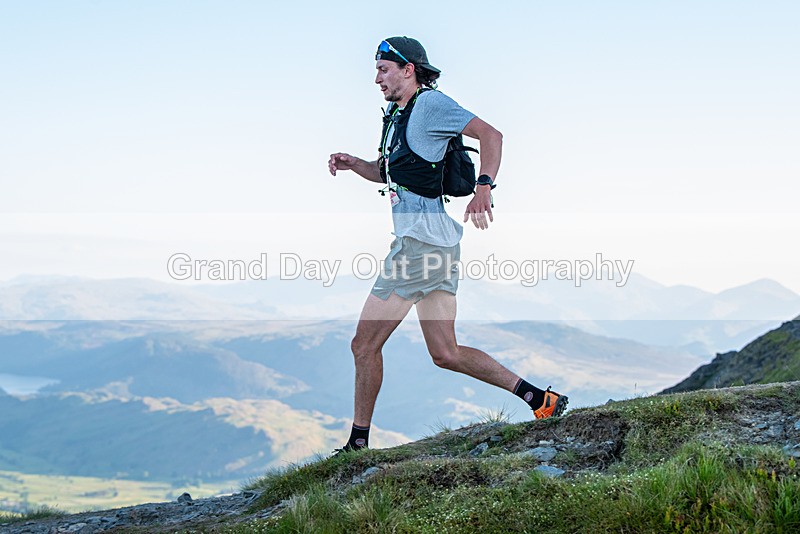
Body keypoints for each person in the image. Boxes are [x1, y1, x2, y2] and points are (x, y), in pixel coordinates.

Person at [327, 36, 568, 453]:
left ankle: (357, 444)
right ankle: (540, 400)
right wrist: (355, 166)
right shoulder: (396, 117)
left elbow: (492, 134)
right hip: (438, 247)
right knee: (446, 352)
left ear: (409, 69)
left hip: (418, 248)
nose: (376, 78)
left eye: (383, 69)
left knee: (363, 344)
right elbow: (389, 174)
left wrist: (484, 186)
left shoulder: (431, 106)